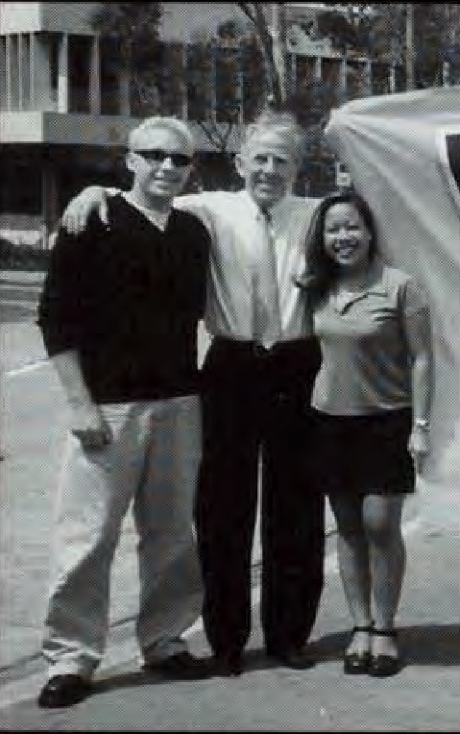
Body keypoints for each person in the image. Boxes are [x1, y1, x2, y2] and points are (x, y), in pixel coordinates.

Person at [61, 111, 326, 676]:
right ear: (239, 163)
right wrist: (95, 189)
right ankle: (226, 640)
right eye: (260, 158)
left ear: (299, 168)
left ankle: (288, 635)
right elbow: (144, 193)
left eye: (283, 160)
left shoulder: (319, 216)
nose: (270, 171)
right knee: (222, 511)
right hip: (230, 365)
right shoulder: (205, 210)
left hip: (300, 366)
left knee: (296, 509)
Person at [35, 116, 213, 708]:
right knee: (87, 539)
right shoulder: (92, 220)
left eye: (179, 159)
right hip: (108, 407)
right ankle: (71, 657)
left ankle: (164, 640)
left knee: (170, 535)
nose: (167, 166)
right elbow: (55, 318)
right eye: (154, 155)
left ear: (191, 170)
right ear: (129, 160)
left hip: (179, 404)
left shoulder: (193, 230)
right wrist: (79, 402)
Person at [295, 192, 432, 677]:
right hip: (330, 421)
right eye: (333, 230)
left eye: (352, 227)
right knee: (349, 530)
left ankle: (386, 629)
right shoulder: (316, 287)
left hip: (386, 421)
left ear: (370, 231)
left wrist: (420, 426)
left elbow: (422, 359)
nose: (343, 238)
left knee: (379, 525)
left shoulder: (401, 287)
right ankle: (360, 626)